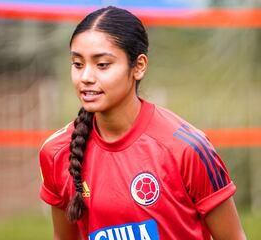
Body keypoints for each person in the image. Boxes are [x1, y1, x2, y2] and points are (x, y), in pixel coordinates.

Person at [39, 6, 246, 240]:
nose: (86, 77)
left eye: (102, 64)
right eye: (78, 64)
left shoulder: (187, 148)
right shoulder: (56, 152)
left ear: (138, 66)